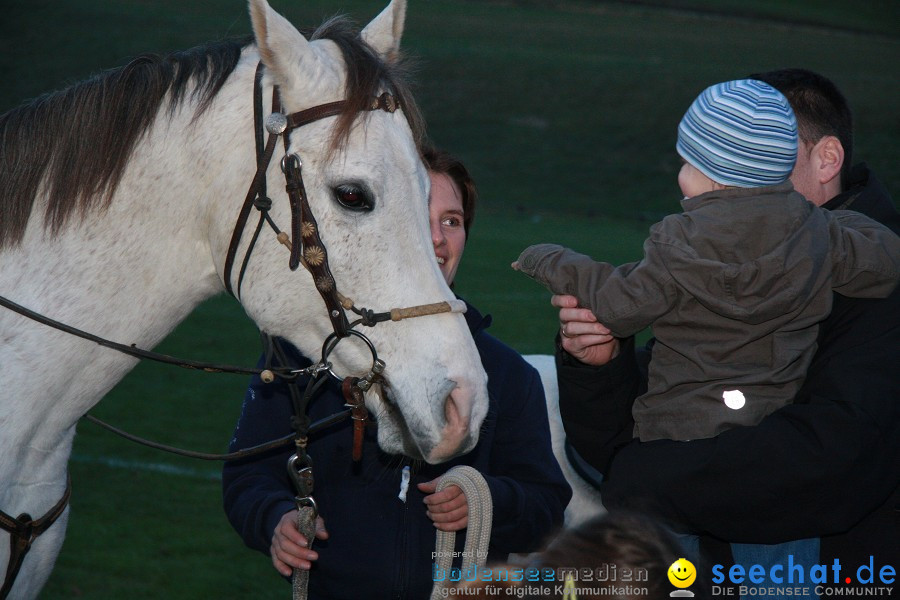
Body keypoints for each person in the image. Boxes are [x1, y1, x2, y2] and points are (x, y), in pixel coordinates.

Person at [551, 68, 900, 572]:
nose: (736, 191)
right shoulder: (712, 260)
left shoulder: (880, 284)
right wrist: (598, 365)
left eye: (763, 169)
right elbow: (618, 437)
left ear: (826, 160)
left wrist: (641, 478)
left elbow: (832, 457)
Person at [222, 146, 571, 599]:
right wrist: (275, 519)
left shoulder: (505, 373)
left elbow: (546, 508)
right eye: (419, 218)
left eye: (452, 220)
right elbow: (247, 476)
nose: (439, 240)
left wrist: (485, 500)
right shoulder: (300, 357)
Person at [515, 78, 899, 444]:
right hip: (769, 422)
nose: (680, 175)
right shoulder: (819, 234)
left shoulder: (677, 243)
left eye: (686, 163)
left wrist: (552, 262)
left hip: (675, 428)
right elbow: (883, 265)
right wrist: (844, 221)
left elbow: (617, 305)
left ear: (712, 176)